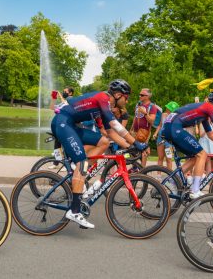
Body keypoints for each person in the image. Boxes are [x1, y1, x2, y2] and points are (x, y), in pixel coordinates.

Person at [50, 79, 148, 228]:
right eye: (126, 97)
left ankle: (79, 171)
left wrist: (129, 146)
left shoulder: (104, 105)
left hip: (70, 124)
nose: (127, 101)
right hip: (63, 122)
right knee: (81, 163)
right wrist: (136, 143)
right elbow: (116, 125)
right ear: (117, 94)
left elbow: (110, 132)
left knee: (104, 141)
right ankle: (74, 211)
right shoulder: (103, 98)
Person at [161, 91, 213, 199]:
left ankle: (171, 181)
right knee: (202, 154)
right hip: (174, 127)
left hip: (170, 127)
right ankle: (194, 190)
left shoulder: (204, 112)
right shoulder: (210, 107)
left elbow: (211, 135)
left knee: (196, 156)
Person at [131, 88, 157, 167]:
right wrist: (131, 129)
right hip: (134, 131)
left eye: (142, 95)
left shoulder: (152, 107)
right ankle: (134, 168)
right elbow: (135, 118)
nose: (140, 96)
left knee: (143, 150)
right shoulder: (138, 104)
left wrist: (145, 113)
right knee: (133, 150)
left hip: (144, 132)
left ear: (148, 96)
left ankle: (142, 169)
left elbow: (152, 121)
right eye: (139, 94)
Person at [153, 101, 179, 170]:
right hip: (160, 138)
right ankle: (158, 175)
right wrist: (155, 133)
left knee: (169, 158)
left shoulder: (176, 118)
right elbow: (160, 125)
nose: (167, 109)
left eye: (168, 108)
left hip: (169, 141)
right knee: (160, 157)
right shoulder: (163, 115)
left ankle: (170, 176)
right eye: (167, 108)